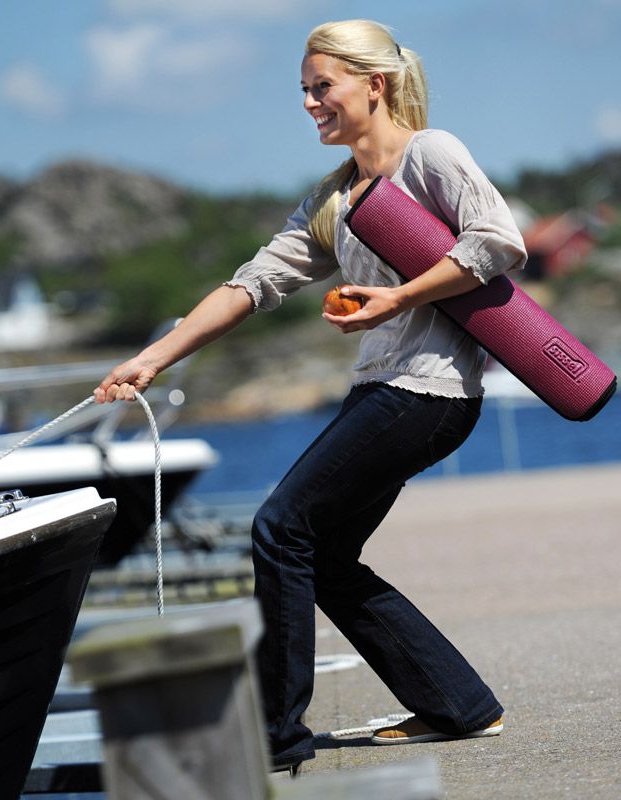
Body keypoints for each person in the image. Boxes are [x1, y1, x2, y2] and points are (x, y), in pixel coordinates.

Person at [95, 19, 526, 770]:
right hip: (382, 393)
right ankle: (458, 704)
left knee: (280, 527)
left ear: (373, 84)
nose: (309, 103)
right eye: (304, 89)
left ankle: (273, 738)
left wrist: (398, 300)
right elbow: (250, 284)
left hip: (427, 393)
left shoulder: (431, 155)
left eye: (320, 86)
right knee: (322, 554)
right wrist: (153, 358)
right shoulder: (336, 198)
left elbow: (497, 242)